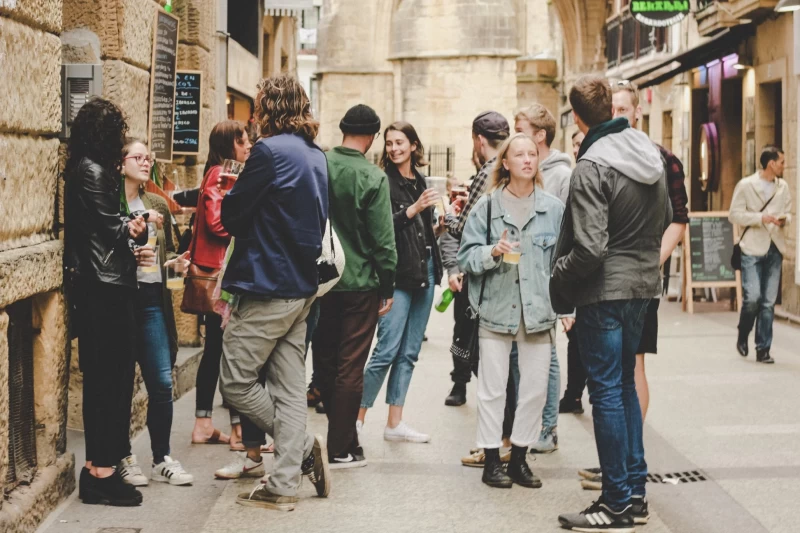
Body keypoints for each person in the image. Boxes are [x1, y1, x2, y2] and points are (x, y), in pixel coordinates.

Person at [551, 75, 671, 531]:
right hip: (643, 284)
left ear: (577, 118)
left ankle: (616, 502)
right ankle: (634, 493)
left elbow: (589, 247)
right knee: (623, 387)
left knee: (605, 392)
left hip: (604, 291)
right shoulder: (648, 154)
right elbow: (662, 220)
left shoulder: (592, 165)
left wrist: (556, 278)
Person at [218, 75, 331, 510]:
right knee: (288, 387)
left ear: (267, 105)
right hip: (302, 286)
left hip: (268, 284)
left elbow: (232, 215)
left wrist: (238, 201)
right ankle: (283, 484)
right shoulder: (314, 154)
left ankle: (300, 446)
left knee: (236, 381)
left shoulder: (267, 151)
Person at [458, 132, 565, 489]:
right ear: (505, 163)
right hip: (495, 310)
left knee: (534, 390)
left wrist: (567, 307)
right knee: (493, 390)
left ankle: (519, 457)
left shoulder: (553, 208)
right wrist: (492, 252)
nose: (527, 160)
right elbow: (465, 257)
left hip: (538, 313)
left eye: (532, 154)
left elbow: (564, 262)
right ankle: (492, 459)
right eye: (519, 154)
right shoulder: (487, 206)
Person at [64, 98, 147, 506]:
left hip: (104, 286)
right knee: (109, 381)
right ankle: (101, 472)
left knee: (109, 379)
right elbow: (110, 227)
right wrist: (135, 227)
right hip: (105, 288)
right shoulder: (94, 171)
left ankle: (100, 468)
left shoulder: (86, 168)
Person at [313, 104, 398, 468]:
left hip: (321, 281)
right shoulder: (373, 177)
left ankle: (347, 437)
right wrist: (388, 285)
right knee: (351, 366)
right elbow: (383, 241)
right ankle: (340, 448)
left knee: (327, 363)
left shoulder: (319, 165)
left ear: (342, 129)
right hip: (360, 281)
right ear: (374, 136)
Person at [357, 122, 444, 443]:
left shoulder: (419, 180)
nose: (394, 148)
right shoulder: (383, 182)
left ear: (413, 145)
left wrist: (439, 226)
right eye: (390, 143)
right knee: (385, 351)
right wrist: (414, 209)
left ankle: (395, 422)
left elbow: (421, 231)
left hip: (426, 272)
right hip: (398, 276)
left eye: (400, 143)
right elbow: (379, 230)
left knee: (408, 353)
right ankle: (357, 419)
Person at [117, 139, 194, 487]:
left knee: (162, 383)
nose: (146, 162)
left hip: (151, 300)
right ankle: (122, 457)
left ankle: (162, 458)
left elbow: (165, 265)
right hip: (119, 302)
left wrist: (176, 267)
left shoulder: (157, 203)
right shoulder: (110, 202)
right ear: (120, 164)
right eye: (138, 157)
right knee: (119, 386)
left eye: (148, 157)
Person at [514, 103, 573, 454]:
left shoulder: (561, 176)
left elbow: (568, 231)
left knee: (547, 355)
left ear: (539, 135)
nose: (514, 133)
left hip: (547, 278)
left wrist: (566, 295)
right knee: (528, 356)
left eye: (520, 128)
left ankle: (548, 428)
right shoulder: (522, 165)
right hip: (520, 275)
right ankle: (530, 424)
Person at [189, 120, 252, 450]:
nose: (249, 147)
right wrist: (248, 225)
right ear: (231, 145)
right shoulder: (220, 174)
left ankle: (204, 423)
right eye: (243, 142)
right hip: (220, 277)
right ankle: (238, 430)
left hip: (218, 274)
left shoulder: (216, 173)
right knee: (229, 350)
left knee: (216, 348)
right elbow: (216, 222)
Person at [444, 111, 510, 409]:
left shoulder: (488, 170)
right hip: (506, 261)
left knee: (466, 326)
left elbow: (463, 227)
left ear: (479, 140)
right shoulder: (511, 166)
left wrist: (447, 213)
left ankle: (461, 384)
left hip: (479, 263)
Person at [730, 145, 791, 364]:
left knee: (768, 302)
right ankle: (743, 331)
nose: (785, 165)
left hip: (775, 247)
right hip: (752, 248)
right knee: (753, 298)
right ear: (771, 164)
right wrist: (760, 218)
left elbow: (790, 212)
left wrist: (784, 219)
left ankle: (763, 348)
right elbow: (734, 215)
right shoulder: (746, 185)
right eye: (782, 161)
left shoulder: (783, 186)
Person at [559, 127, 588, 417]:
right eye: (574, 144)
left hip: (584, 268)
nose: (577, 148)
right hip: (575, 268)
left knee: (581, 339)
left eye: (581, 143)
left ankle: (575, 394)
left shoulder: (583, 176)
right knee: (575, 339)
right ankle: (574, 394)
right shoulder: (574, 175)